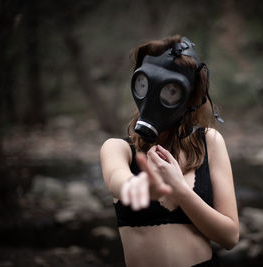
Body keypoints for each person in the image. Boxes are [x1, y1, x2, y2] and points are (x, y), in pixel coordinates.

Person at [100, 35, 239, 267]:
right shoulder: (117, 148)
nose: (157, 97)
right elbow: (117, 179)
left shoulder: (209, 142)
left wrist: (179, 189)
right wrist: (137, 187)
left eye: (171, 90)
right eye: (147, 85)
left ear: (191, 96)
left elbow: (230, 237)